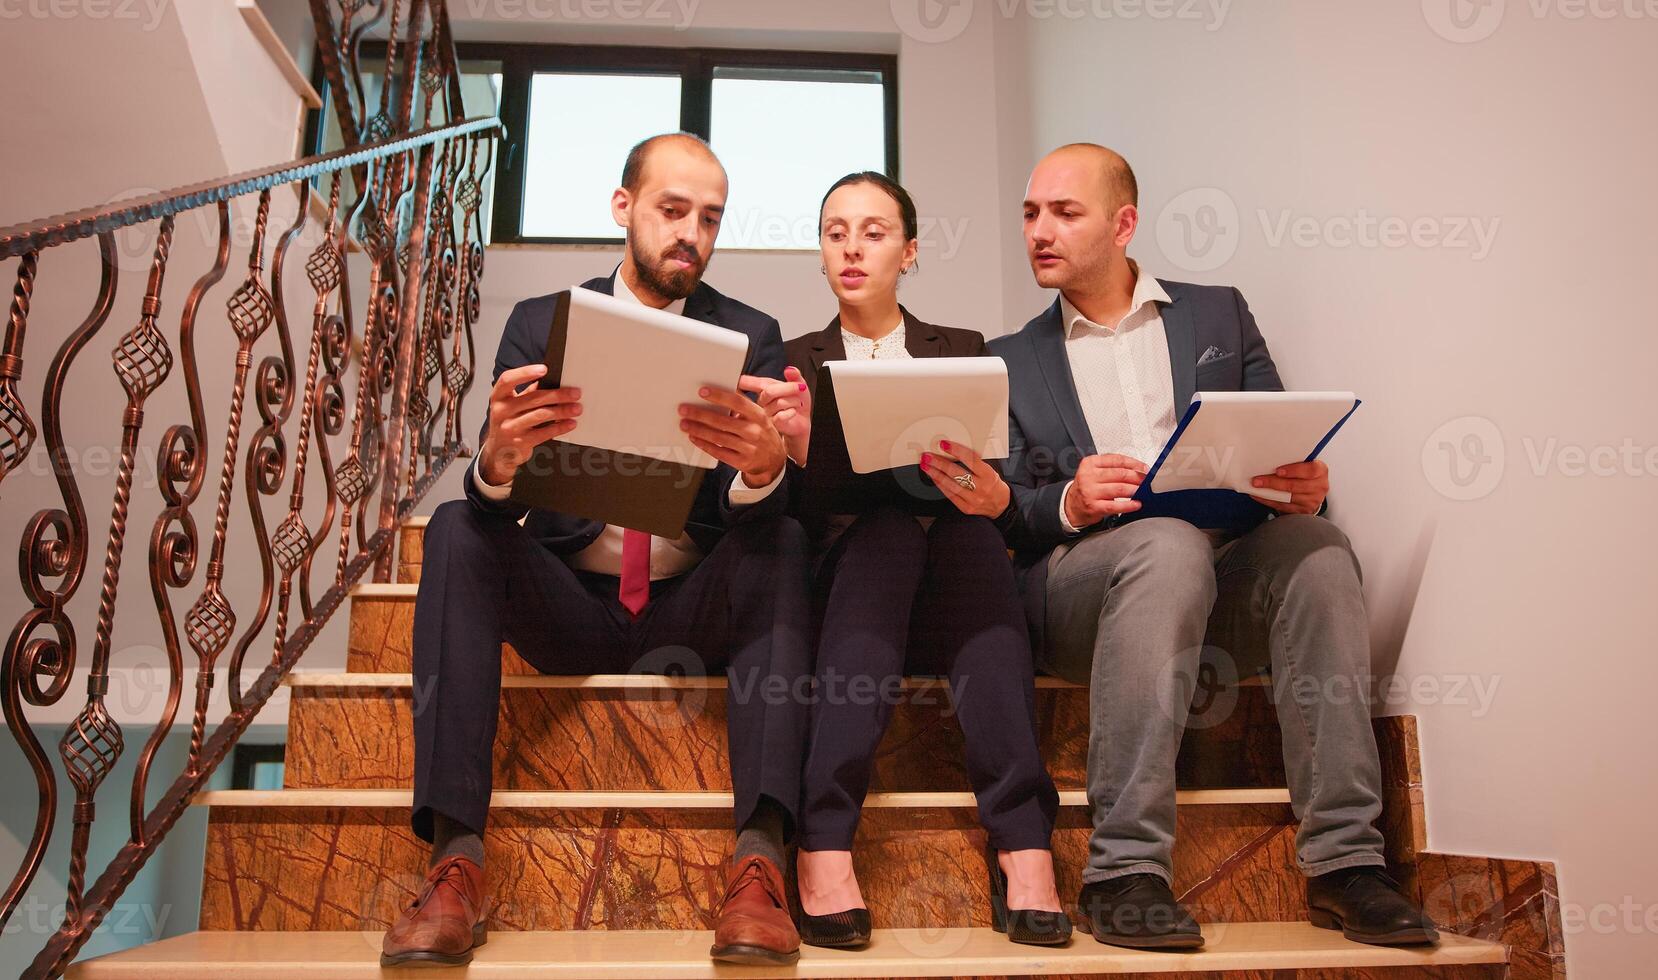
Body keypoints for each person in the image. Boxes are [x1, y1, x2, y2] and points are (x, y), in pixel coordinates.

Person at [989, 143, 1439, 951]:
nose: (1039, 231)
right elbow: (1001, 515)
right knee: (1164, 545)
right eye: (1030, 214)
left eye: (1064, 212)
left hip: (1215, 574)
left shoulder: (1219, 314)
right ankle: (1123, 871)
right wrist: (1066, 499)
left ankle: (1346, 865)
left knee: (1318, 547)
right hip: (1078, 594)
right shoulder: (1008, 359)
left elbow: (1273, 437)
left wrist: (1302, 485)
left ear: (1124, 224)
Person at [382, 133, 812, 968]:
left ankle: (760, 863)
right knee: (455, 526)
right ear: (624, 208)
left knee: (787, 534)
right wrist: (496, 464)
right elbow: (490, 493)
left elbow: (753, 516)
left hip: (693, 608)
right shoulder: (541, 322)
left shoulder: (753, 334)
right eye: (672, 210)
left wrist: (764, 471)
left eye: (711, 218)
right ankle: (455, 864)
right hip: (570, 605)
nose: (692, 233)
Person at [775, 172, 1071, 950]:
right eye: (835, 231)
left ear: (909, 252)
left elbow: (992, 477)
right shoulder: (792, 360)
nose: (851, 247)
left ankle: (1024, 841)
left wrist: (981, 491)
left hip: (954, 581)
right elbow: (789, 519)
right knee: (888, 533)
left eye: (873, 232)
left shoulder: (964, 351)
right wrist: (807, 456)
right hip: (849, 589)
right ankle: (824, 837)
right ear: (820, 252)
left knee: (971, 534)